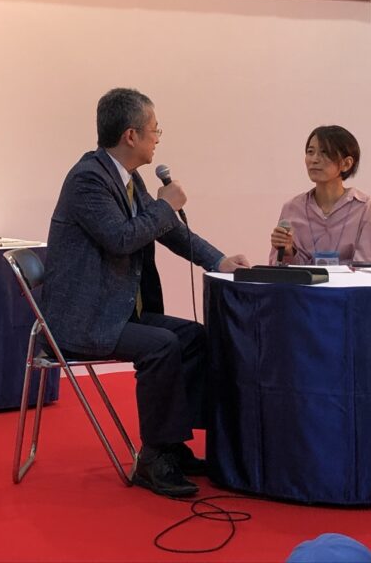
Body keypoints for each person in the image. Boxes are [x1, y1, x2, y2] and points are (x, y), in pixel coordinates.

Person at [41, 88, 249, 498]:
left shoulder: (127, 178)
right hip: (84, 318)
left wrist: (219, 261)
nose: (158, 138)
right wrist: (165, 205)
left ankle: (172, 445)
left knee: (193, 337)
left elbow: (167, 231)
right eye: (155, 129)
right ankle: (153, 460)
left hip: (115, 311)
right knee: (161, 346)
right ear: (131, 135)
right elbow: (121, 238)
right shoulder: (87, 179)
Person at [269, 125, 371, 266]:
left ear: (346, 164)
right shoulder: (292, 208)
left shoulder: (368, 208)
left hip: (352, 282)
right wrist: (288, 252)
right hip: (305, 281)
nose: (314, 159)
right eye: (310, 152)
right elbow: (276, 269)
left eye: (325, 153)